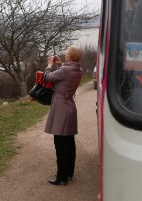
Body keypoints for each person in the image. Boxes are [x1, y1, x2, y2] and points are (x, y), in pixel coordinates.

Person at [42, 46, 83, 186]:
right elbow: (66, 71)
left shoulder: (65, 70)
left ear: (69, 57)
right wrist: (60, 64)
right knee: (69, 142)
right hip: (70, 105)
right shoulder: (79, 70)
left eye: (67, 54)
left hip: (61, 108)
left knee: (60, 143)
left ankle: (61, 177)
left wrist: (49, 65)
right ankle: (69, 173)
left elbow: (47, 77)